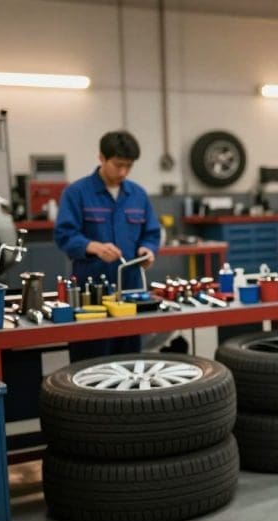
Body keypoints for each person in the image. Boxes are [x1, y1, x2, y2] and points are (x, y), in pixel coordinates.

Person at [55, 130, 160, 361]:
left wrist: (147, 249)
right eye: (118, 165)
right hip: (90, 297)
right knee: (90, 363)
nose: (123, 172)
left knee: (130, 361)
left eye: (129, 166)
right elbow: (63, 234)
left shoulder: (138, 195)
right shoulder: (77, 193)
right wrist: (92, 246)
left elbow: (151, 233)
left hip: (130, 293)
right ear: (101, 158)